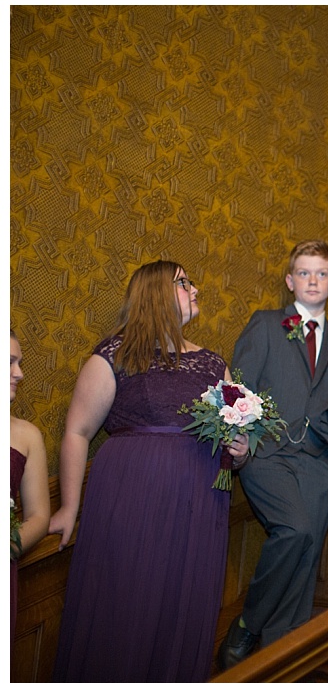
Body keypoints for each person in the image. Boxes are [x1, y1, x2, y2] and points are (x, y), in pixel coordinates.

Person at [49, 261, 249, 682]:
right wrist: (69, 507)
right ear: (155, 292)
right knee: (124, 603)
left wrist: (242, 449)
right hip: (129, 498)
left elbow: (237, 442)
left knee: (183, 604)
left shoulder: (214, 365)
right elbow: (77, 432)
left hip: (199, 505)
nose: (195, 288)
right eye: (184, 282)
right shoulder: (114, 356)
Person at [217, 240, 328, 670]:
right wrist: (239, 445)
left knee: (307, 553)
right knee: (294, 531)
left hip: (319, 463)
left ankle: (284, 658)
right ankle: (248, 624)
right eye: (303, 272)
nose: (312, 280)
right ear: (289, 280)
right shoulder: (265, 325)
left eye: (320, 274)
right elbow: (236, 388)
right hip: (267, 453)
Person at [11, 331, 52, 631]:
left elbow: (39, 516)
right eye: (10, 362)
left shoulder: (27, 435)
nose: (19, 374)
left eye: (20, 363)